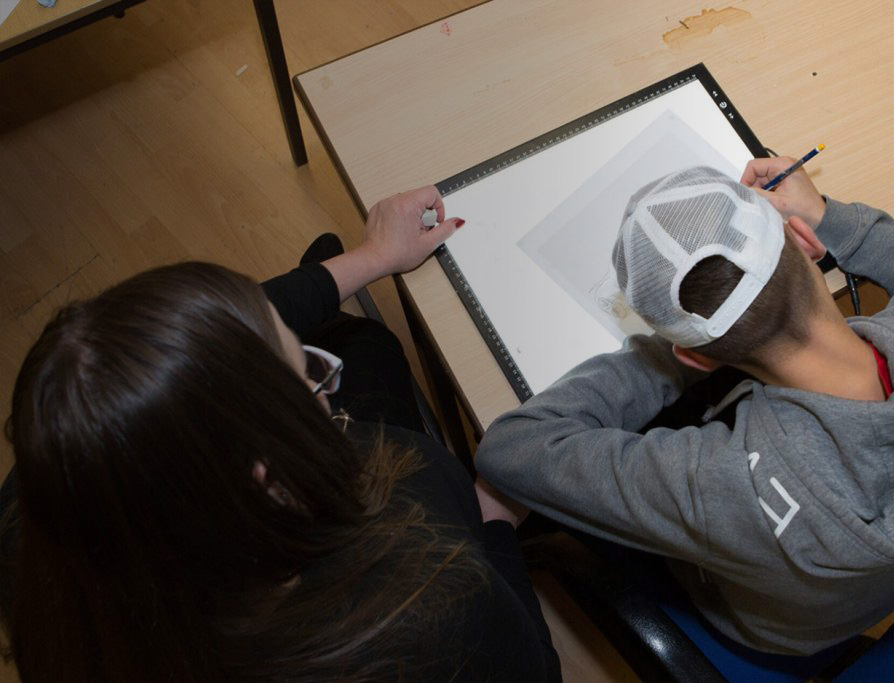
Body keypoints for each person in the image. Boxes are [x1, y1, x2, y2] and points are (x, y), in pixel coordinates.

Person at [0, 186, 559, 681]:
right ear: (273, 483)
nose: (323, 383)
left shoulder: (45, 502)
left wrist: (371, 258)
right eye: (311, 377)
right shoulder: (430, 593)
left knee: (363, 346)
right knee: (369, 351)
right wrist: (493, 523)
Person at [474, 162, 894, 656]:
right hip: (849, 600)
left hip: (759, 629)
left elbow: (512, 447)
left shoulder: (716, 482)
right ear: (804, 241)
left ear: (695, 357)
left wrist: (673, 355)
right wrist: (832, 217)